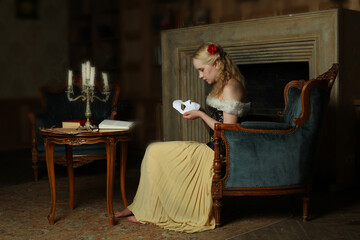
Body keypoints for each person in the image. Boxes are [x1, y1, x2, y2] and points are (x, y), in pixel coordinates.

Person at [115, 43, 250, 233]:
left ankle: (147, 210)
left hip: (220, 155)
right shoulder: (225, 85)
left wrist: (201, 115)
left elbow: (228, 132)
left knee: (154, 151)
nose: (201, 76)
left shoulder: (231, 86)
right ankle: (141, 205)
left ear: (217, 63)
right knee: (154, 150)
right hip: (213, 146)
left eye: (202, 70)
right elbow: (216, 131)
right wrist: (201, 112)